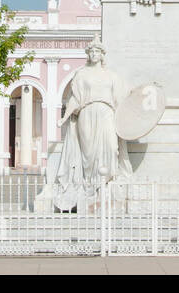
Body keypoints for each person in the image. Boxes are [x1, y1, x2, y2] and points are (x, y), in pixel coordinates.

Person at [52, 38, 132, 211]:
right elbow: (75, 98)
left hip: (107, 112)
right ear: (88, 55)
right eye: (91, 52)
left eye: (97, 52)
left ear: (102, 55)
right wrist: (64, 117)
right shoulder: (81, 74)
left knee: (111, 147)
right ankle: (90, 188)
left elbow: (120, 99)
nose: (94, 54)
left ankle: (106, 183)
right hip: (86, 112)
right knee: (87, 153)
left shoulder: (111, 76)